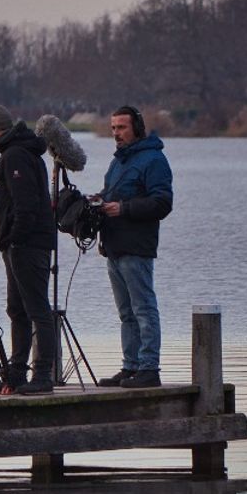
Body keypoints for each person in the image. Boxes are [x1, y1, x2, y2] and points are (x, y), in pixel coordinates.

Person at [0, 104, 57, 394]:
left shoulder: (15, 156)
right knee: (17, 309)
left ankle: (43, 375)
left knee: (37, 309)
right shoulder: (19, 153)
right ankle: (17, 373)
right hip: (23, 245)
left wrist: (12, 238)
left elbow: (27, 206)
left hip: (27, 245)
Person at [95, 105, 173, 388]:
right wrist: (99, 201)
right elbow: (113, 195)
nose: (116, 133)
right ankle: (131, 367)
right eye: (113, 128)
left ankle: (149, 369)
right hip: (114, 246)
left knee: (143, 309)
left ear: (137, 128)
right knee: (126, 313)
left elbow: (163, 202)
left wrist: (124, 209)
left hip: (137, 247)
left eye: (122, 127)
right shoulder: (119, 162)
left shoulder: (153, 159)